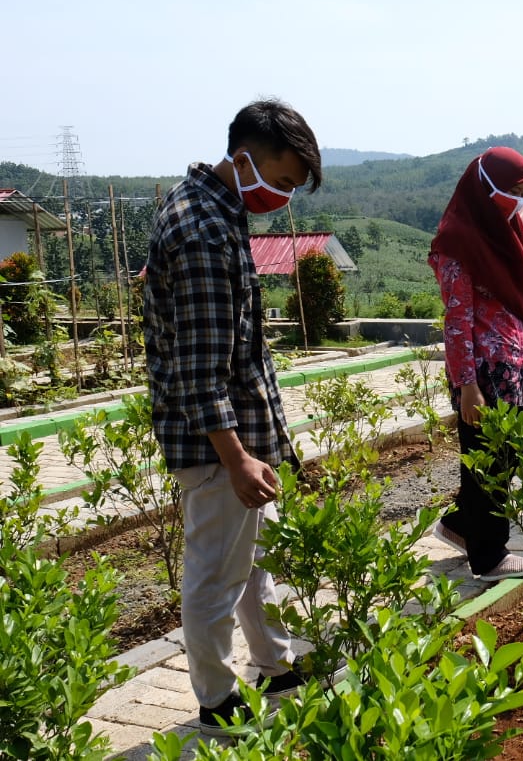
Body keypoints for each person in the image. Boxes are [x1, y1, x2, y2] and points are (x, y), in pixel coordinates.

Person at [143, 99, 321, 736]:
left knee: (252, 557)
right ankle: (216, 698)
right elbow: (201, 364)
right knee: (216, 571)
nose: (283, 195)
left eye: (293, 188)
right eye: (281, 180)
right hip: (215, 442)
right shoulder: (203, 230)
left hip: (238, 434)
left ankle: (272, 661)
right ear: (243, 158)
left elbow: (236, 346)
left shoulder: (217, 208)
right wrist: (236, 456)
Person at [428, 147, 523, 582]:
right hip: (483, 376)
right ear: (484, 186)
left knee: (508, 459)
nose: (517, 199)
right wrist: (466, 385)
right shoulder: (457, 240)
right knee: (488, 464)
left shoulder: (510, 235)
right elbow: (457, 318)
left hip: (517, 371)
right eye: (510, 190)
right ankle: (489, 556)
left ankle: (461, 525)